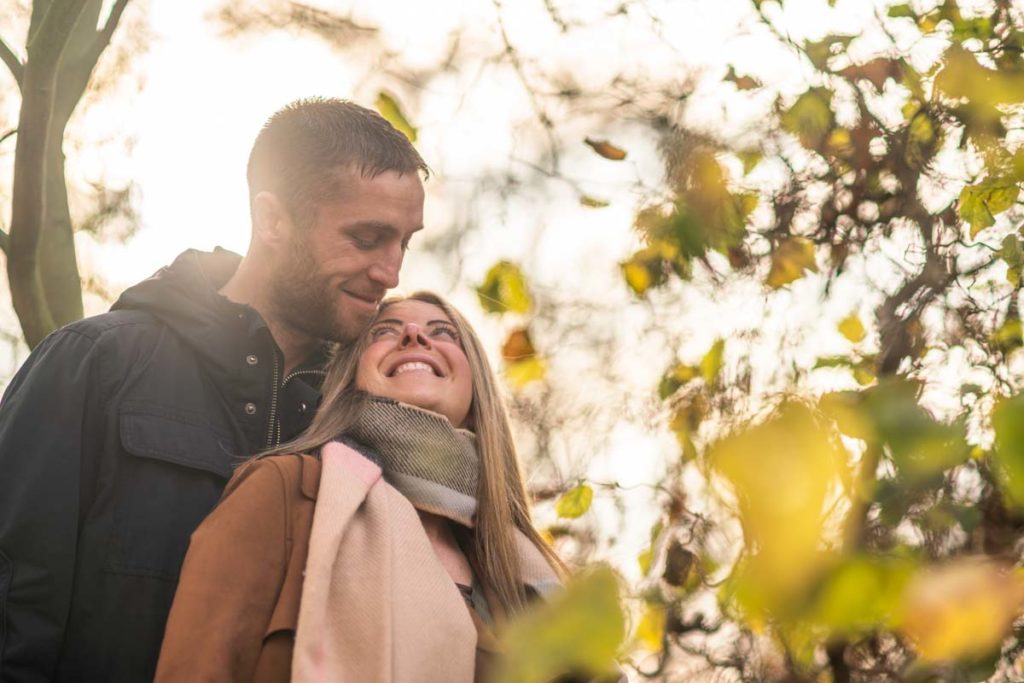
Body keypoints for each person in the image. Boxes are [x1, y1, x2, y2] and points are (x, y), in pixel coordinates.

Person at [0, 98, 427, 682]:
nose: (391, 271)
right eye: (367, 237)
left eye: (405, 241)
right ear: (273, 220)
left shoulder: (359, 420)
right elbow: (13, 605)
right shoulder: (98, 364)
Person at [155, 292, 565, 681]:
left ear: (477, 385)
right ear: (349, 377)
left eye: (443, 332)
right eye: (383, 331)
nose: (414, 335)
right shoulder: (285, 491)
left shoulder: (524, 575)